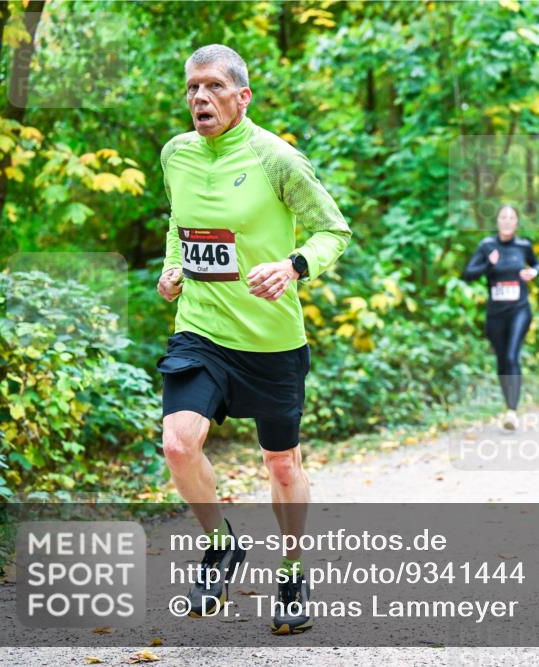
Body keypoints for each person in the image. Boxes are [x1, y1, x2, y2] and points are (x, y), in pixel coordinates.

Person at [156, 45, 351, 634]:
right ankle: (221, 546)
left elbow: (332, 230)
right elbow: (180, 223)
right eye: (192, 88)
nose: (200, 98)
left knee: (282, 465)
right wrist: (172, 267)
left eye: (213, 87)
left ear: (242, 97)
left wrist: (293, 266)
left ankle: (292, 570)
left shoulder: (277, 158)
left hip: (270, 341)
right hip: (201, 329)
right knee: (178, 443)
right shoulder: (177, 155)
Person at [462, 205, 539, 430]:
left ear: (517, 222)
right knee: (501, 360)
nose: (507, 221)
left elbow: (537, 264)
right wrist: (489, 264)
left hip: (519, 309)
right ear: (497, 222)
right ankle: (508, 404)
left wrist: (533, 272)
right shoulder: (487, 246)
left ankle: (512, 411)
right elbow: (468, 274)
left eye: (511, 218)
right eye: (503, 217)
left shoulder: (523, 245)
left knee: (511, 355)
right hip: (496, 313)